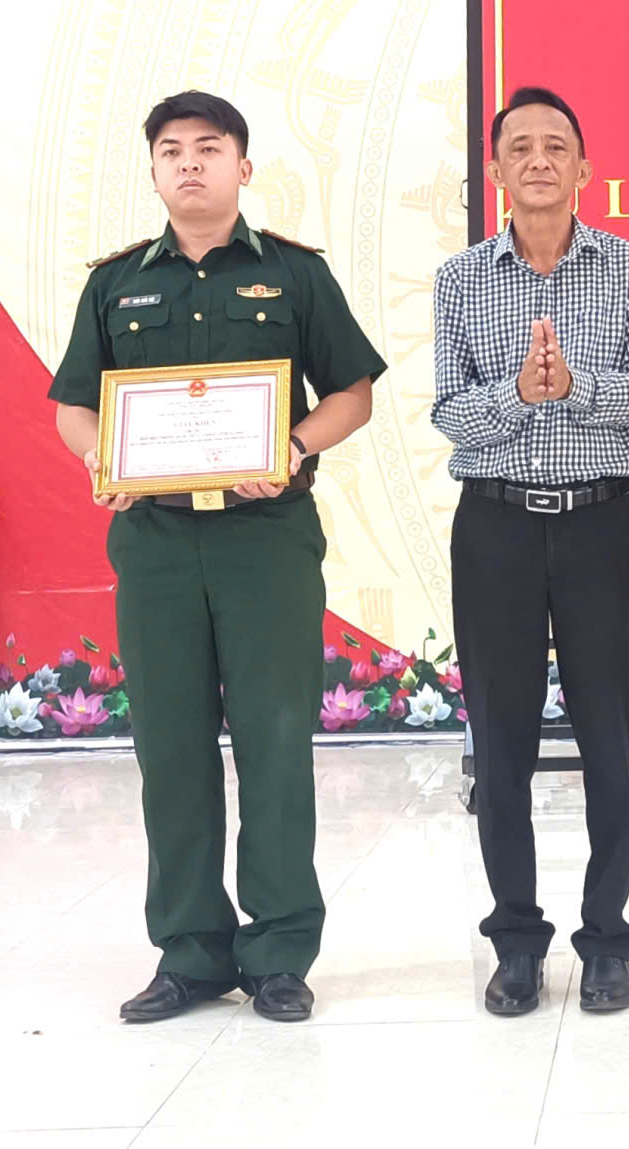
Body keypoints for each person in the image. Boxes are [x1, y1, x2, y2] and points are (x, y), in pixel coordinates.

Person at [48, 90, 386, 1025]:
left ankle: (279, 951)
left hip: (265, 539)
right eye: (171, 150)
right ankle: (190, 951)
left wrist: (296, 445)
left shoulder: (294, 274)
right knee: (171, 743)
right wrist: (100, 458)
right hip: (156, 542)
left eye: (209, 147)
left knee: (276, 739)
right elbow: (76, 402)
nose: (190, 163)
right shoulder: (116, 284)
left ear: (244, 166)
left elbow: (353, 392)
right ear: (154, 171)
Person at [431, 86, 629, 1018]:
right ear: (495, 170)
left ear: (584, 167)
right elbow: (450, 410)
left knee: (609, 737)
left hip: (599, 521)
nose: (538, 159)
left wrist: (574, 386)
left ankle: (607, 940)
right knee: (502, 743)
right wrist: (519, 398)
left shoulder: (628, 265)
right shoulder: (461, 279)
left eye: (556, 146)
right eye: (520, 146)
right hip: (493, 526)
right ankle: (516, 942)